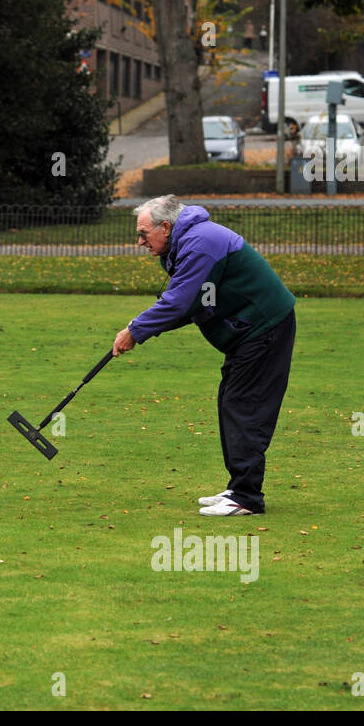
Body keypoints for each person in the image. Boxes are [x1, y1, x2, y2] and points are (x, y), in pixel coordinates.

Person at [113, 195, 295, 517]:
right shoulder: (184, 245)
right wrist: (141, 330)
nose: (139, 241)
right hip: (249, 331)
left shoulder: (199, 244)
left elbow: (180, 303)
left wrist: (135, 332)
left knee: (243, 405)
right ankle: (239, 488)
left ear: (166, 227)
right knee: (232, 400)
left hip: (264, 327)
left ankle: (247, 497)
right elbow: (193, 302)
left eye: (143, 233)